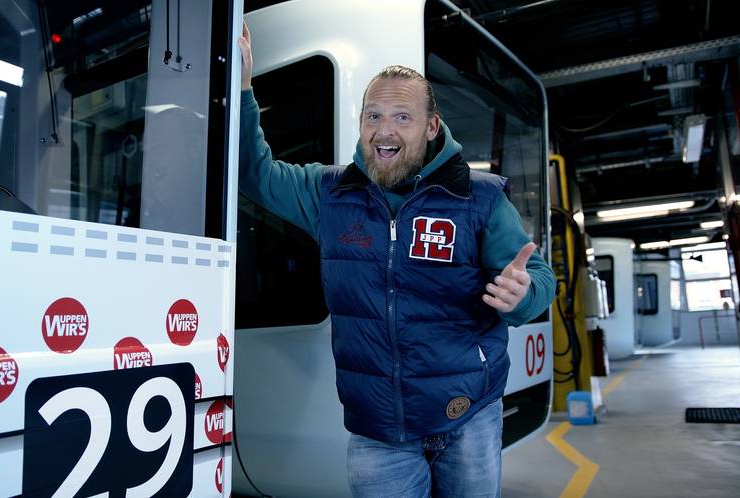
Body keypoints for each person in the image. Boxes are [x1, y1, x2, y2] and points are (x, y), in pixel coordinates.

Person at [237, 23, 556, 498]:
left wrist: (524, 295)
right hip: (379, 429)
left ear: (431, 127)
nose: (384, 131)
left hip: (468, 414)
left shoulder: (480, 197)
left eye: (402, 117)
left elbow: (539, 277)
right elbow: (254, 174)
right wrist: (244, 88)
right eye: (374, 116)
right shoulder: (329, 194)